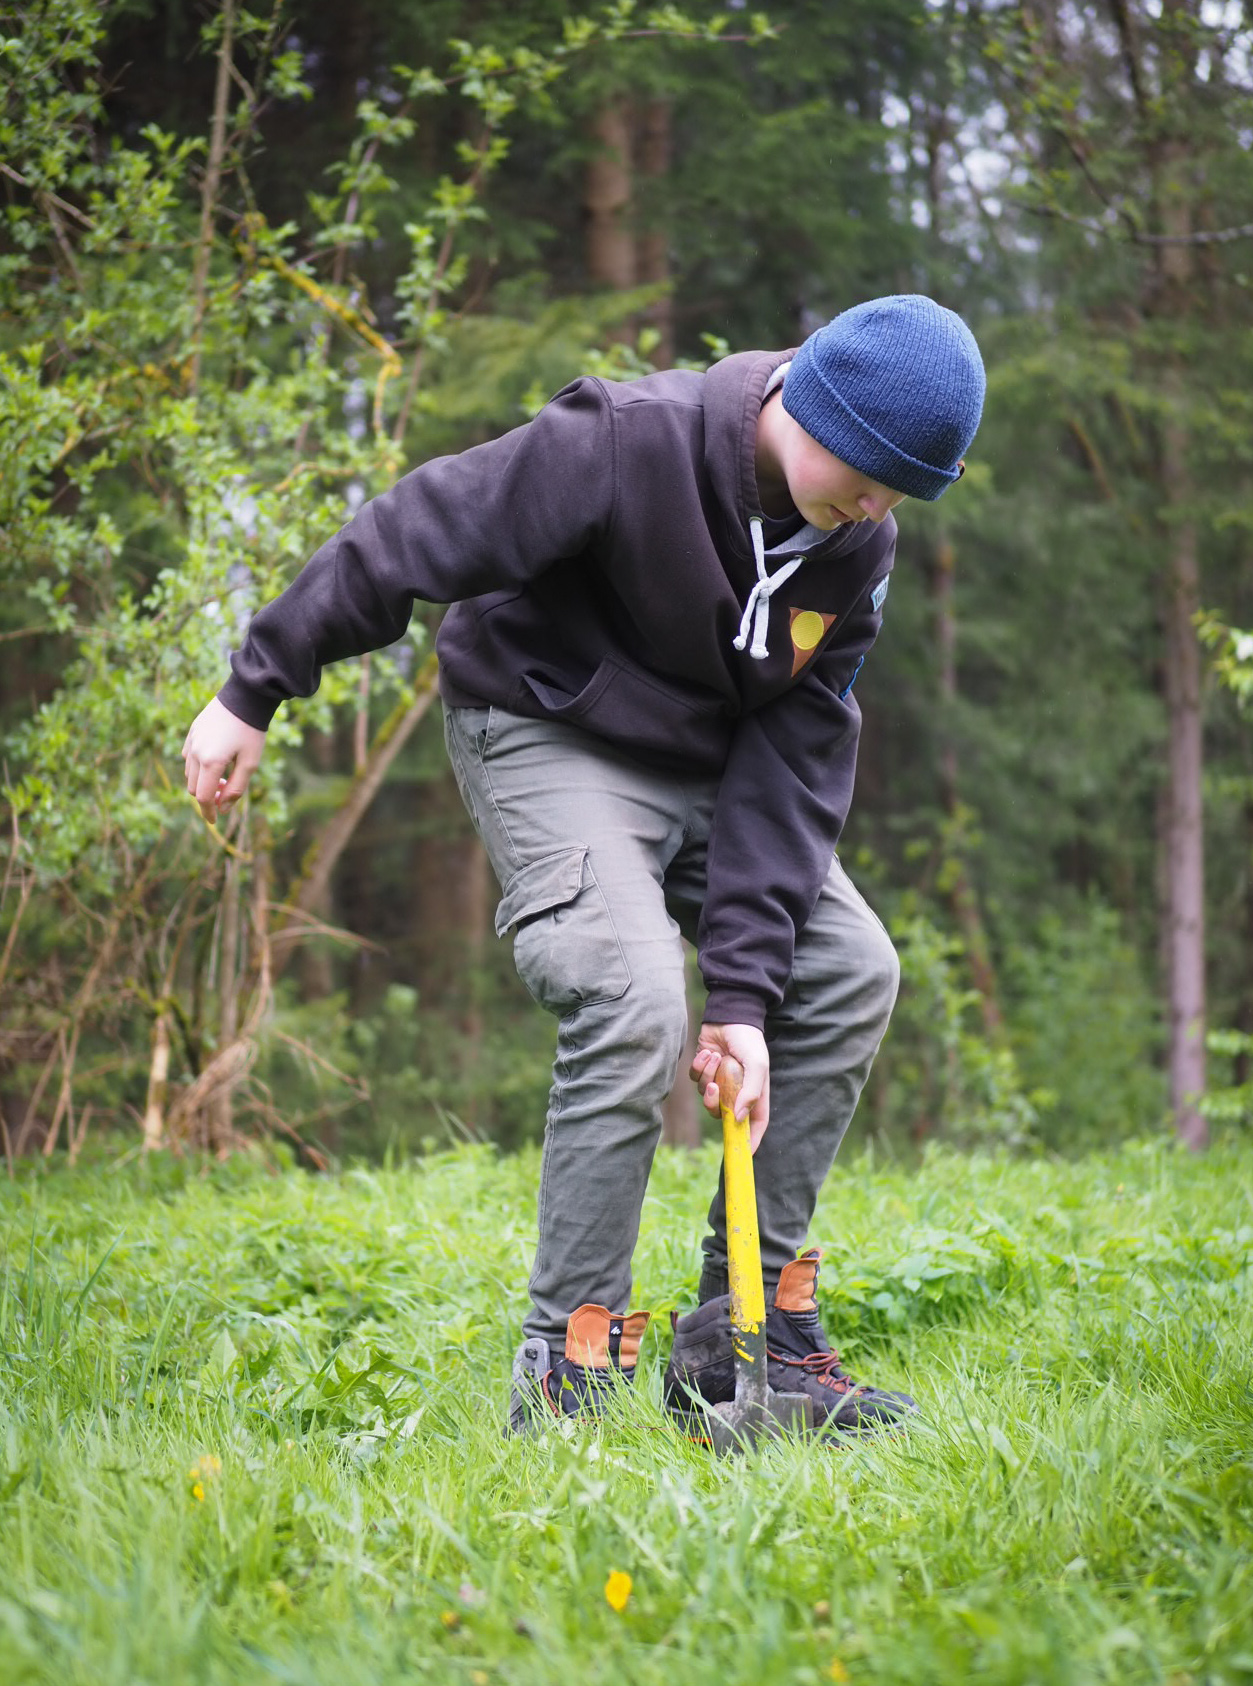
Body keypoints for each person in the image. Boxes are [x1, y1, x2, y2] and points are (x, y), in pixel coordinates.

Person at [181, 294, 986, 1435]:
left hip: (707, 763)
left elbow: (795, 761)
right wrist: (254, 686)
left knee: (850, 968)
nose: (877, 505)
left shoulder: (859, 548)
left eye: (903, 491)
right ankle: (572, 1367)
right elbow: (413, 531)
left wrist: (745, 1000)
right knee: (632, 988)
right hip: (545, 725)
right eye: (867, 472)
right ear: (815, 403)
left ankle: (745, 1340)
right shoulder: (622, 441)